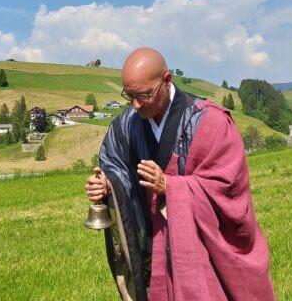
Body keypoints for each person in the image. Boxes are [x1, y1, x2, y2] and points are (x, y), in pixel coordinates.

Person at [85, 47, 275, 301]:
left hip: (199, 249)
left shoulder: (210, 123)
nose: (135, 104)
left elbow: (228, 187)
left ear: (166, 80)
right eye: (128, 95)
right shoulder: (125, 126)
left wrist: (171, 187)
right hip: (153, 246)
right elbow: (118, 168)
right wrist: (107, 186)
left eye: (143, 95)